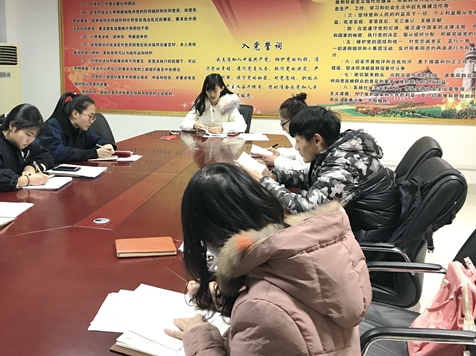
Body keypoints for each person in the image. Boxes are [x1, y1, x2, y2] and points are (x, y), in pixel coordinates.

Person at [165, 163, 371, 355]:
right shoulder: (317, 253)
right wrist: (223, 298)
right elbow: (294, 312)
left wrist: (200, 337)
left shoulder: (261, 309)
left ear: (212, 237)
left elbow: (271, 312)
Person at [242, 106, 400, 243]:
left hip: (363, 239)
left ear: (317, 140)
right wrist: (274, 176)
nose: (296, 147)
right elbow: (310, 177)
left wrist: (264, 181)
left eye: (298, 141)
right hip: (353, 226)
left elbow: (303, 208)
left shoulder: (344, 166)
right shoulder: (337, 151)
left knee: (272, 239)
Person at [36, 93, 116, 163]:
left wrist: (106, 145)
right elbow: (58, 153)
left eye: (93, 117)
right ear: (75, 114)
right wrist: (95, 153)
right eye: (90, 116)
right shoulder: (52, 126)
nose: (92, 121)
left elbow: (96, 139)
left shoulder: (81, 128)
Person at [255, 93, 309, 171]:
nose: (283, 129)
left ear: (294, 120)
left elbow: (303, 169)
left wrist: (276, 161)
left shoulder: (310, 137)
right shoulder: (303, 133)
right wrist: (278, 153)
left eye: (283, 123)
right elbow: (297, 153)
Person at [179, 74, 247, 133]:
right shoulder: (201, 103)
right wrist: (195, 125)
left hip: (223, 142)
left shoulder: (229, 104)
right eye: (209, 91)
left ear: (222, 88)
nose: (212, 95)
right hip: (202, 141)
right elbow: (183, 124)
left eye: (215, 91)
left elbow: (242, 126)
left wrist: (222, 128)